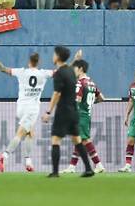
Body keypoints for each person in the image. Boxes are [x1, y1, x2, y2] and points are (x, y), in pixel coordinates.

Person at [0, 46, 53, 173]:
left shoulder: (21, 72)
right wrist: (74, 61)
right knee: (20, 134)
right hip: (32, 109)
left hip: (21, 107)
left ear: (29, 63)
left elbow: (2, 68)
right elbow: (62, 71)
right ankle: (4, 155)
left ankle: (28, 161)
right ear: (38, 63)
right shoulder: (43, 73)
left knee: (30, 133)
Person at [41, 46, 94, 178]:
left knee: (55, 140)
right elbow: (67, 69)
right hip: (74, 112)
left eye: (54, 54)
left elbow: (57, 93)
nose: (52, 56)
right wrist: (75, 59)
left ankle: (55, 172)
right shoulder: (71, 71)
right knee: (77, 140)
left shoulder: (59, 73)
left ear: (58, 56)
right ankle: (88, 169)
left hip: (63, 111)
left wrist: (48, 112)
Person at [62, 54, 106, 174]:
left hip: (80, 115)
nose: (74, 71)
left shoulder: (80, 83)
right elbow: (102, 98)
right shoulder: (91, 83)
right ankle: (72, 166)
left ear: (80, 69)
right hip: (87, 114)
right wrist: (90, 104)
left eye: (75, 69)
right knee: (79, 139)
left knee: (85, 140)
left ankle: (98, 164)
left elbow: (77, 100)